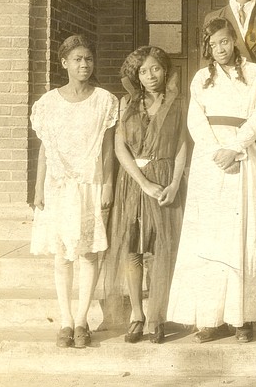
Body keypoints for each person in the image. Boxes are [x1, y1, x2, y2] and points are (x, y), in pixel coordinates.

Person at [167, 17, 256, 344]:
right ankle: (210, 318)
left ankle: (241, 319)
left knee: (243, 236)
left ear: (234, 40)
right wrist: (217, 150)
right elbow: (195, 121)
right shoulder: (201, 78)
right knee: (210, 240)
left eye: (225, 41)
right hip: (209, 160)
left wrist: (234, 148)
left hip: (243, 156)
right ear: (207, 47)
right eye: (213, 45)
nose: (220, 49)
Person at [30, 35, 118, 348]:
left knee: (89, 252)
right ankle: (65, 320)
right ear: (64, 62)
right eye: (77, 59)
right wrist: (38, 187)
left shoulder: (104, 100)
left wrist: (107, 183)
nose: (84, 64)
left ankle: (82, 320)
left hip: (90, 183)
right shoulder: (48, 103)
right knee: (62, 255)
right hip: (57, 186)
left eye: (88, 59)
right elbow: (45, 149)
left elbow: (107, 147)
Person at [104, 46, 187, 344]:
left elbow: (181, 147)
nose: (150, 76)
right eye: (143, 71)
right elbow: (119, 147)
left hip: (165, 180)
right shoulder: (126, 104)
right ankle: (136, 315)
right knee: (133, 249)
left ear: (165, 70)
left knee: (162, 249)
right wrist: (142, 183)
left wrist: (175, 184)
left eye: (155, 69)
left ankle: (157, 316)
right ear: (135, 76)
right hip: (134, 182)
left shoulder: (179, 104)